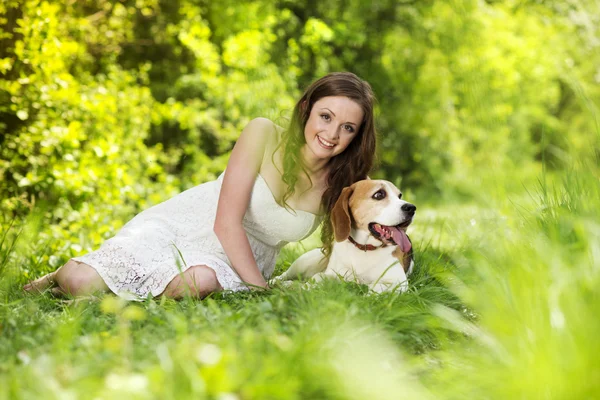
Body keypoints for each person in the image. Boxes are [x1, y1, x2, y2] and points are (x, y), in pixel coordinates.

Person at [23, 72, 377, 300]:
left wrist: (390, 267)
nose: (331, 134)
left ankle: (114, 291)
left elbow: (358, 239)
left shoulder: (343, 185)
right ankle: (69, 273)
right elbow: (225, 222)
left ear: (357, 136)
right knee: (78, 283)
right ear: (306, 109)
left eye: (347, 127)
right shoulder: (264, 133)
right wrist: (262, 291)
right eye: (325, 117)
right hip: (189, 226)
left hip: (241, 262)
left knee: (200, 281)